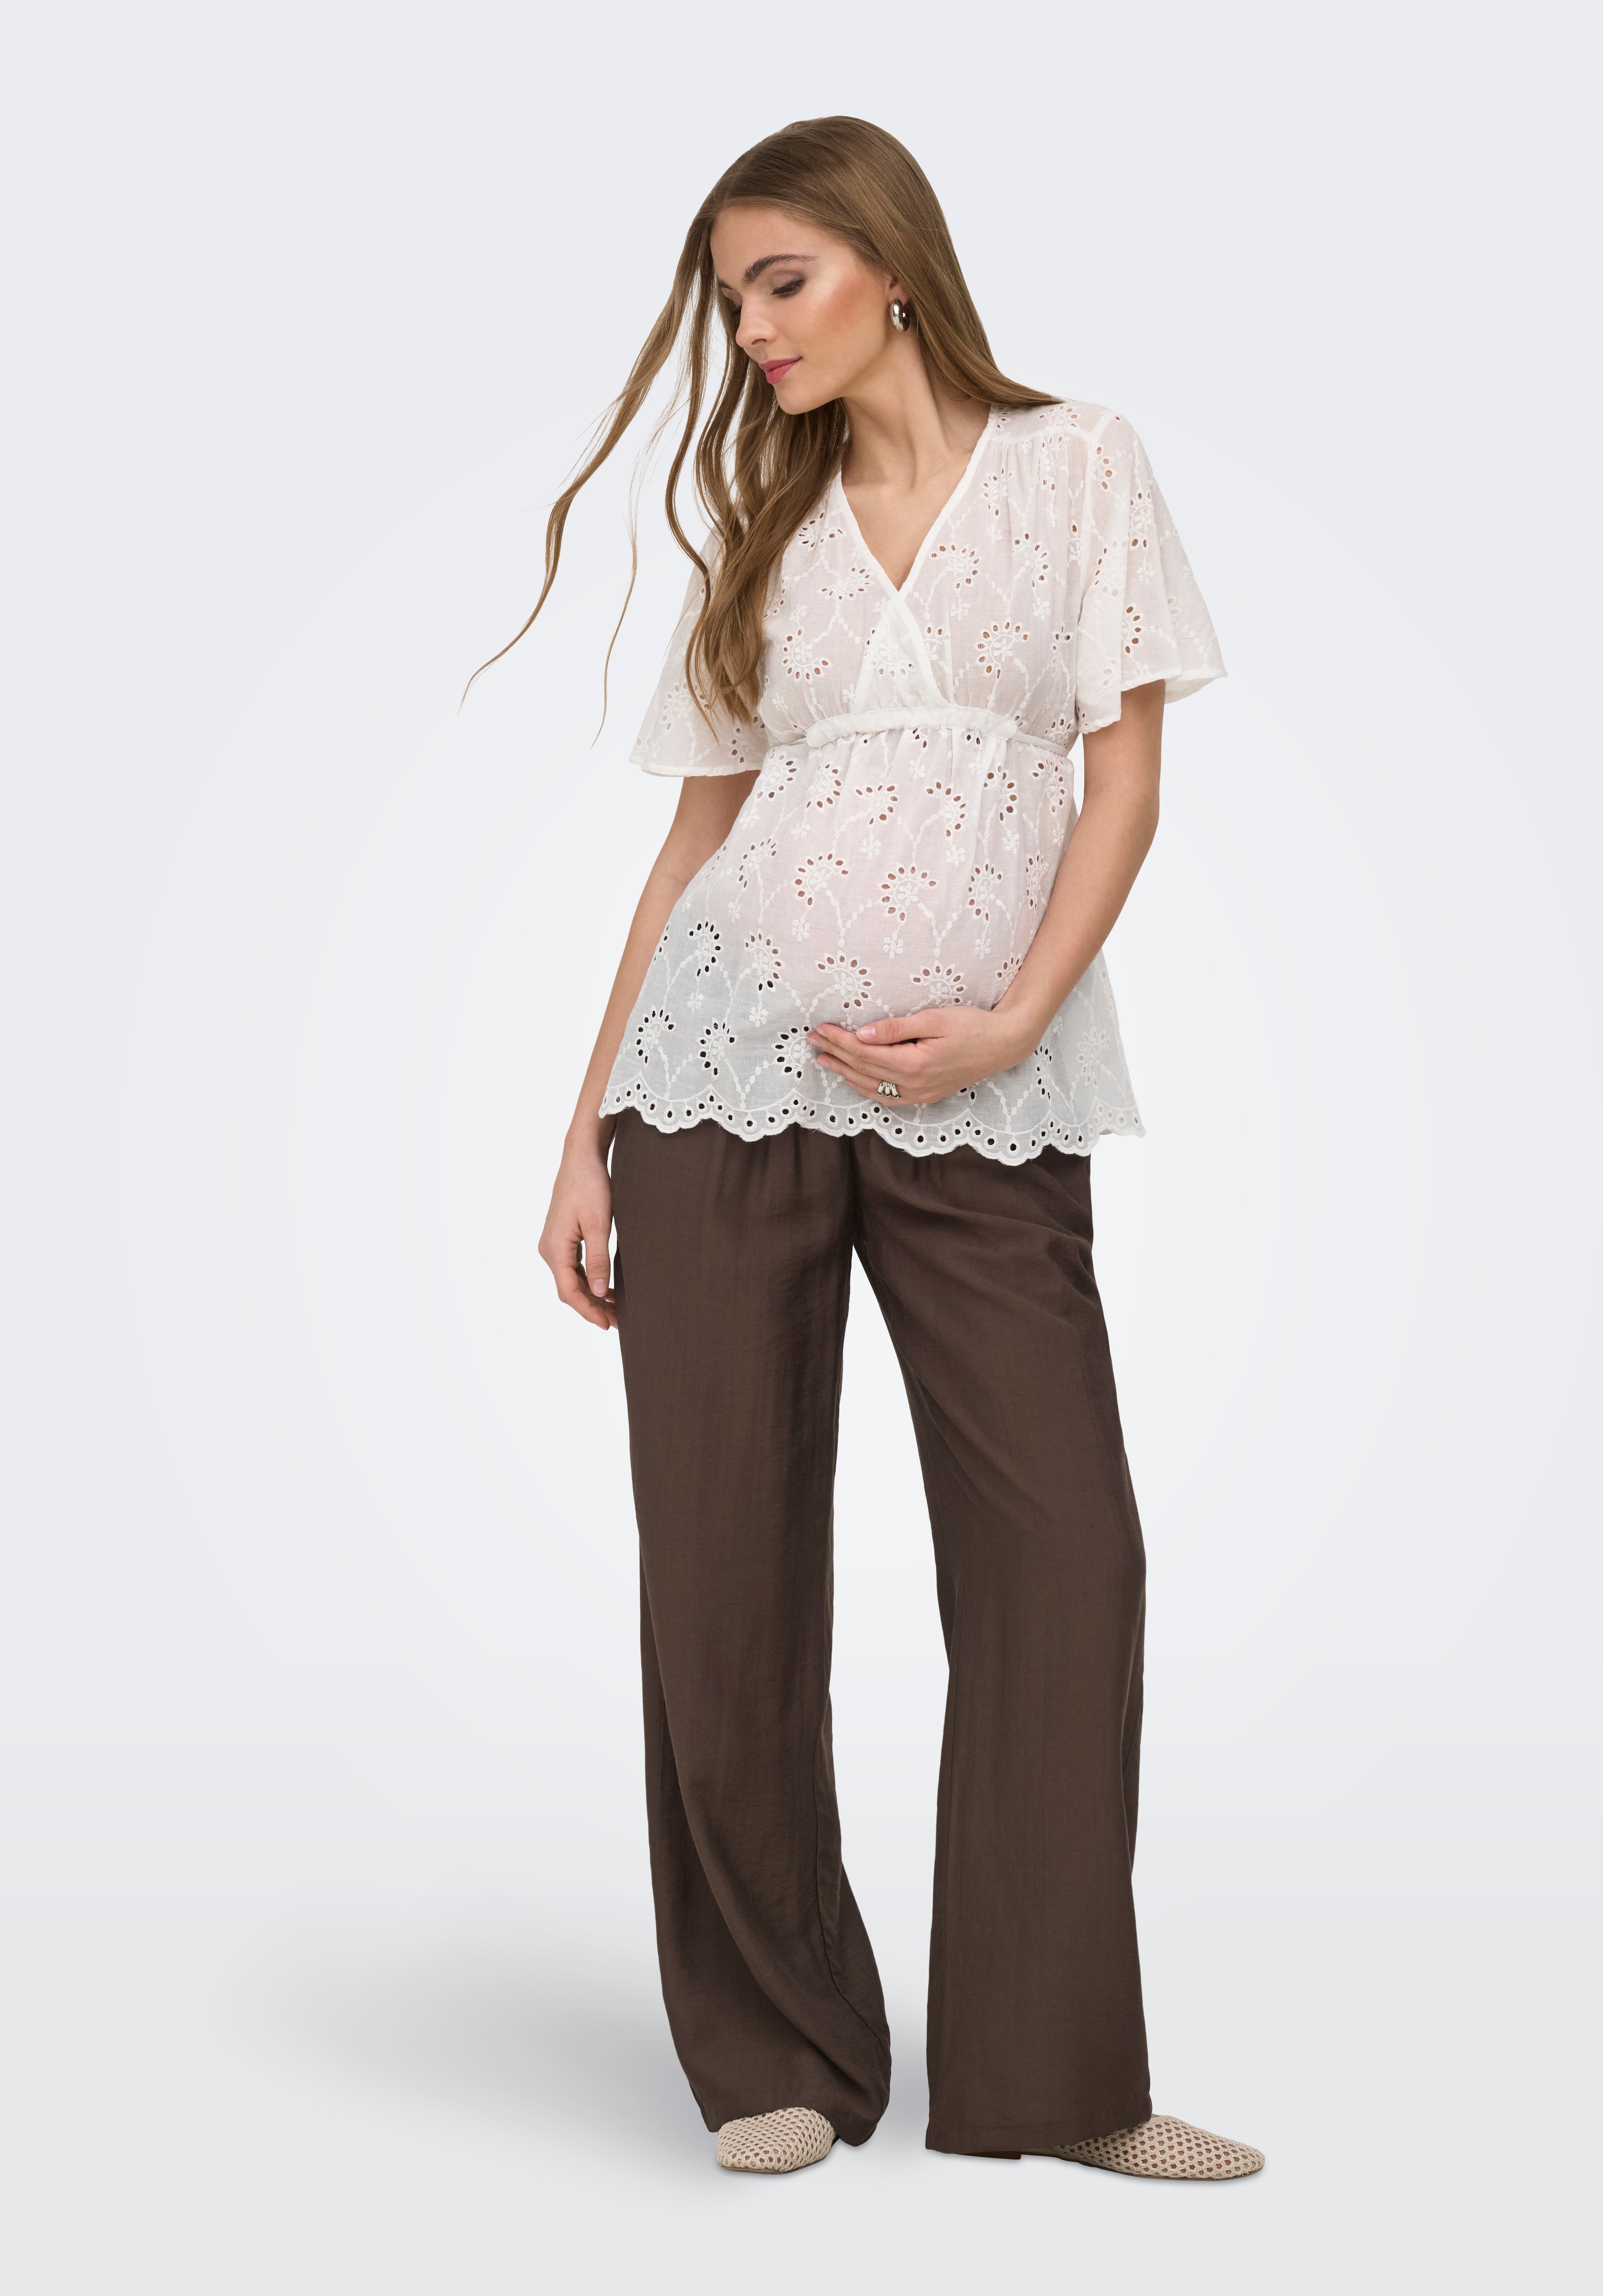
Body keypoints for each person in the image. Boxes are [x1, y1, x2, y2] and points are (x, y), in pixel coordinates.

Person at [493, 115, 1263, 2182]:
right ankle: (777, 2052)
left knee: (1065, 1557)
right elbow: (695, 842)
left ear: (890, 265)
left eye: (783, 281)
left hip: (982, 1088)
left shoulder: (1078, 466)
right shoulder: (760, 533)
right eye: (729, 299)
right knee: (722, 1569)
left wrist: (1013, 1019)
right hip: (718, 1082)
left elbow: (1122, 787)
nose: (751, 331)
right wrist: (585, 1134)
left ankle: (1056, 2078)